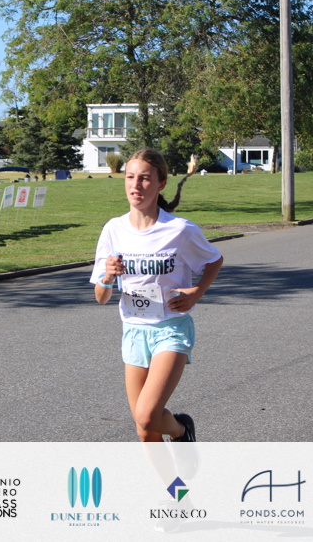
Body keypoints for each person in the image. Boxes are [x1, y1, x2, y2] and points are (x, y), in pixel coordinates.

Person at [91, 149, 222, 442]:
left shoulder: (179, 230)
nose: (136, 185)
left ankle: (181, 430)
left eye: (145, 178)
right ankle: (174, 474)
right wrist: (107, 277)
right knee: (145, 430)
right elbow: (101, 297)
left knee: (148, 415)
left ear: (161, 184)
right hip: (134, 331)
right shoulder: (113, 230)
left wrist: (196, 292)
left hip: (170, 329)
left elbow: (214, 260)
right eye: (130, 177)